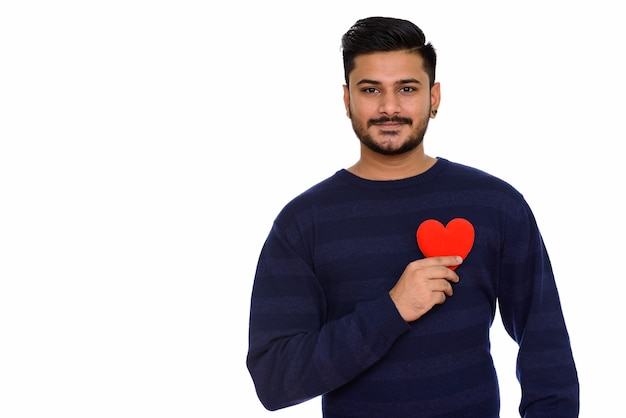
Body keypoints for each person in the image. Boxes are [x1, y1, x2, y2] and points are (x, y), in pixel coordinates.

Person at [246, 16, 579, 417]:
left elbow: (547, 347)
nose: (389, 107)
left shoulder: (496, 205)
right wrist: (391, 310)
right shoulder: (303, 222)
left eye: (407, 88)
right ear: (348, 99)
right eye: (371, 90)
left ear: (433, 97)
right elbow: (274, 379)